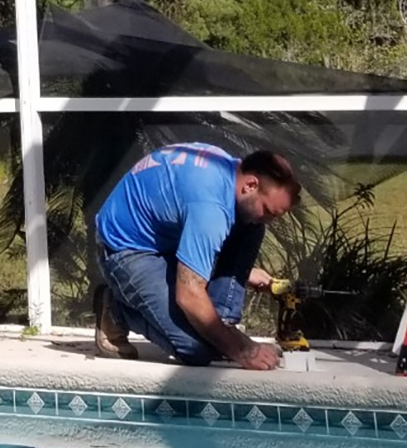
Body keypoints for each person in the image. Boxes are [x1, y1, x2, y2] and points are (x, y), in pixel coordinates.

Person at [91, 143, 301, 370]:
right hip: (126, 251)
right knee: (198, 350)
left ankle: (222, 324)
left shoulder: (228, 170)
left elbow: (199, 224)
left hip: (166, 237)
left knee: (253, 224)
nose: (270, 220)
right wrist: (242, 350)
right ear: (251, 184)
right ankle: (117, 310)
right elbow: (189, 294)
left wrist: (244, 272)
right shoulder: (210, 207)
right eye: (269, 211)